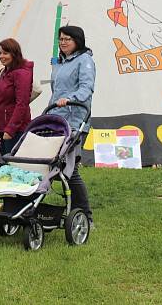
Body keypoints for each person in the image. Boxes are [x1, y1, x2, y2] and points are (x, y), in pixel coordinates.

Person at [50, 25, 95, 223]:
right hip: (57, 119)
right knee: (53, 167)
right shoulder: (60, 63)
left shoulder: (85, 61)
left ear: (78, 40)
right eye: (61, 39)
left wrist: (70, 98)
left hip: (75, 121)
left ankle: (85, 215)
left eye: (67, 38)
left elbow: (87, 88)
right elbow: (55, 92)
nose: (63, 42)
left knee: (71, 170)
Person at [0, 38, 34, 156]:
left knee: (13, 167)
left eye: (5, 53)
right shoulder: (4, 72)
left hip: (15, 130)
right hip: (2, 126)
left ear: (14, 54)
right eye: (0, 53)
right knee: (4, 167)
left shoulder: (21, 74)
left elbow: (22, 103)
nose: (1, 56)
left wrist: (11, 129)